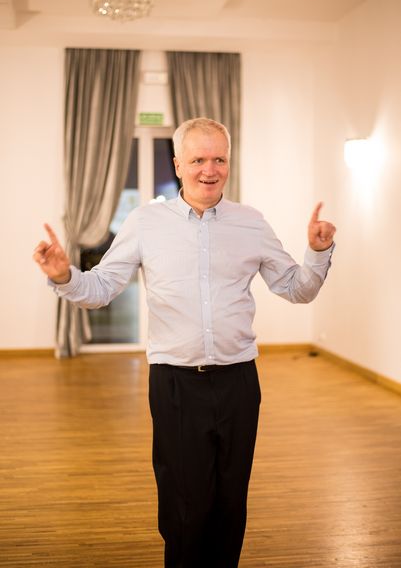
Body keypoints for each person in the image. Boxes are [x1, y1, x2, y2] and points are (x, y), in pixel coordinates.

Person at [33, 117, 336, 568]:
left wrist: (317, 251)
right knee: (184, 508)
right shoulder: (145, 222)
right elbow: (100, 289)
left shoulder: (251, 223)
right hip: (175, 384)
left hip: (239, 382)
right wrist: (64, 276)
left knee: (231, 503)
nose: (209, 170)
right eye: (197, 160)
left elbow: (297, 289)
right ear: (177, 164)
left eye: (219, 159)